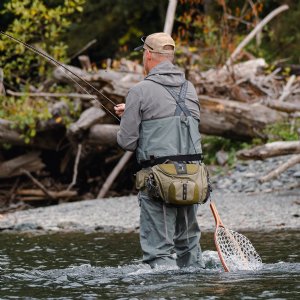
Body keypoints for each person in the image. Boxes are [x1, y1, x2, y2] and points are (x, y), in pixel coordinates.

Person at [114, 32, 205, 269]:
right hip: (193, 179)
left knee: (159, 252)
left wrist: (131, 115)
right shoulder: (190, 88)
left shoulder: (139, 91)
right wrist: (135, 111)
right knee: (189, 245)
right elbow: (173, 120)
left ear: (148, 55)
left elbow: (127, 142)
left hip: (159, 182)